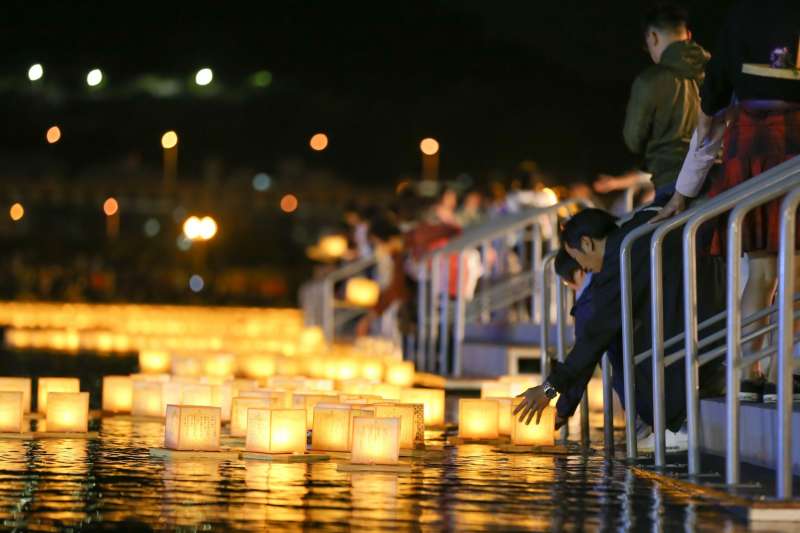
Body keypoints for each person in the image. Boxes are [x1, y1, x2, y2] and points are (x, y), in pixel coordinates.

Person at [651, 0, 800, 399]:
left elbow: (712, 100)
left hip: (748, 140)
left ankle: (750, 372)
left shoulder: (741, 14)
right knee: (794, 273)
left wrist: (683, 191)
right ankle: (778, 370)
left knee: (764, 271)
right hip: (792, 139)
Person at [514, 208, 726, 447]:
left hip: (690, 360)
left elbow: (593, 341)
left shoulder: (621, 262)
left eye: (578, 258)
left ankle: (666, 426)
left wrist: (548, 390)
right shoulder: (644, 228)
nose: (584, 267)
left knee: (622, 345)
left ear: (587, 243)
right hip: (716, 336)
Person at [622, 3, 710, 202]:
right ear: (688, 35)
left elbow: (633, 140)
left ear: (653, 36)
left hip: (672, 181)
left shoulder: (649, 81)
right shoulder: (716, 73)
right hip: (720, 179)